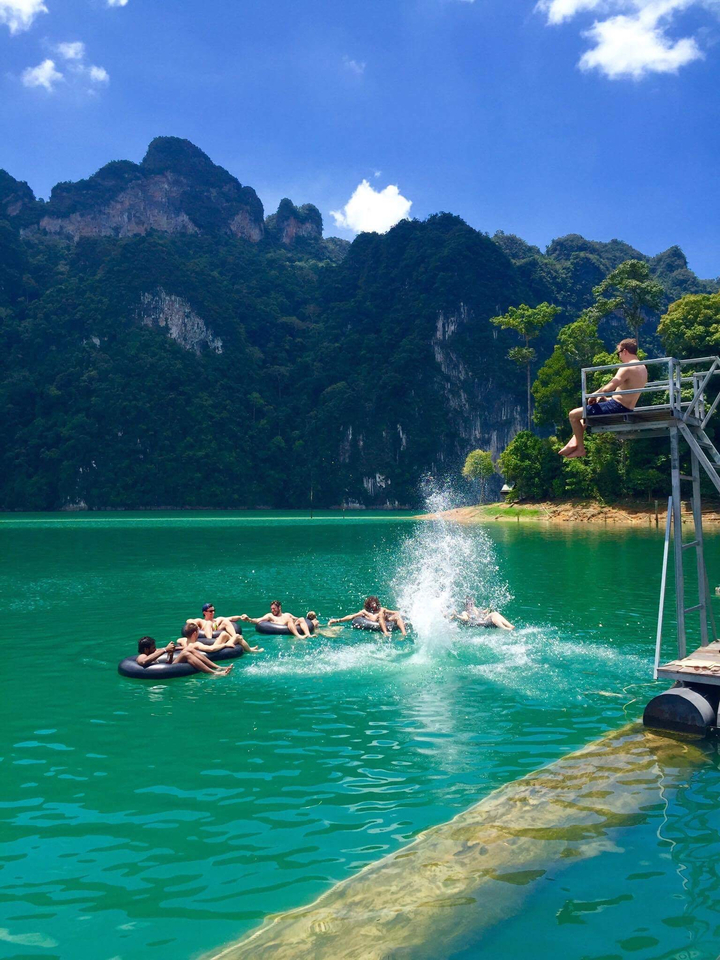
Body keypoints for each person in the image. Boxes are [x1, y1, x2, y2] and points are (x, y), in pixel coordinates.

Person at [559, 339, 648, 459]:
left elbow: (609, 387)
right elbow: (625, 392)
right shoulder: (642, 368)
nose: (619, 357)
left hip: (616, 407)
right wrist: (601, 397)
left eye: (618, 353)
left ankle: (580, 448)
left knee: (573, 415)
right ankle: (574, 441)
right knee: (585, 414)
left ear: (625, 351)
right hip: (626, 407)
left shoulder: (627, 367)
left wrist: (594, 395)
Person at [136, 636, 234, 676]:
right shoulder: (142, 656)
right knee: (186, 654)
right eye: (153, 647)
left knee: (189, 649)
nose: (155, 649)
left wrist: (172, 652)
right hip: (158, 674)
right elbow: (144, 662)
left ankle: (218, 667)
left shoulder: (154, 652)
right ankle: (214, 673)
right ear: (146, 649)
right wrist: (166, 650)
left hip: (168, 668)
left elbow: (168, 664)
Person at [328, 596, 408, 638]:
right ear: (368, 605)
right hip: (376, 623)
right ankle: (386, 633)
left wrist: (402, 615)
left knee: (396, 617)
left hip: (386, 621)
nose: (374, 605)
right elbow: (352, 616)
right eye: (372, 604)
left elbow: (396, 612)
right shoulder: (365, 612)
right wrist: (337, 620)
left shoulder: (382, 609)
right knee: (380, 615)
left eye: (374, 603)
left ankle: (404, 633)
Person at [240, 600, 312, 639]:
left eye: (274, 609)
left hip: (289, 626)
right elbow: (258, 620)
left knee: (301, 619)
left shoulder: (287, 614)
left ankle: (308, 635)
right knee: (289, 620)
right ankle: (299, 636)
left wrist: (310, 619)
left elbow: (299, 619)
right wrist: (248, 619)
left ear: (279, 608)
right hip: (279, 627)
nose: (272, 610)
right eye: (271, 609)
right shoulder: (270, 616)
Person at [178, 621, 263, 654]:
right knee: (238, 636)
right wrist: (225, 645)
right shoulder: (196, 644)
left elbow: (178, 642)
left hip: (213, 647)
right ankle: (250, 651)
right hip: (214, 651)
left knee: (224, 634)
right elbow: (211, 649)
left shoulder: (183, 640)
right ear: (194, 634)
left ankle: (245, 647)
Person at [450, 597, 514, 631]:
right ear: (466, 605)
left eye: (472, 603)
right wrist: (456, 616)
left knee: (495, 613)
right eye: (469, 604)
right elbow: (465, 618)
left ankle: (510, 626)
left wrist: (489, 608)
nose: (471, 605)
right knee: (493, 614)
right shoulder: (465, 612)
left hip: (483, 621)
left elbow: (484, 612)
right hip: (478, 623)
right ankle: (505, 628)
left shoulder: (476, 609)